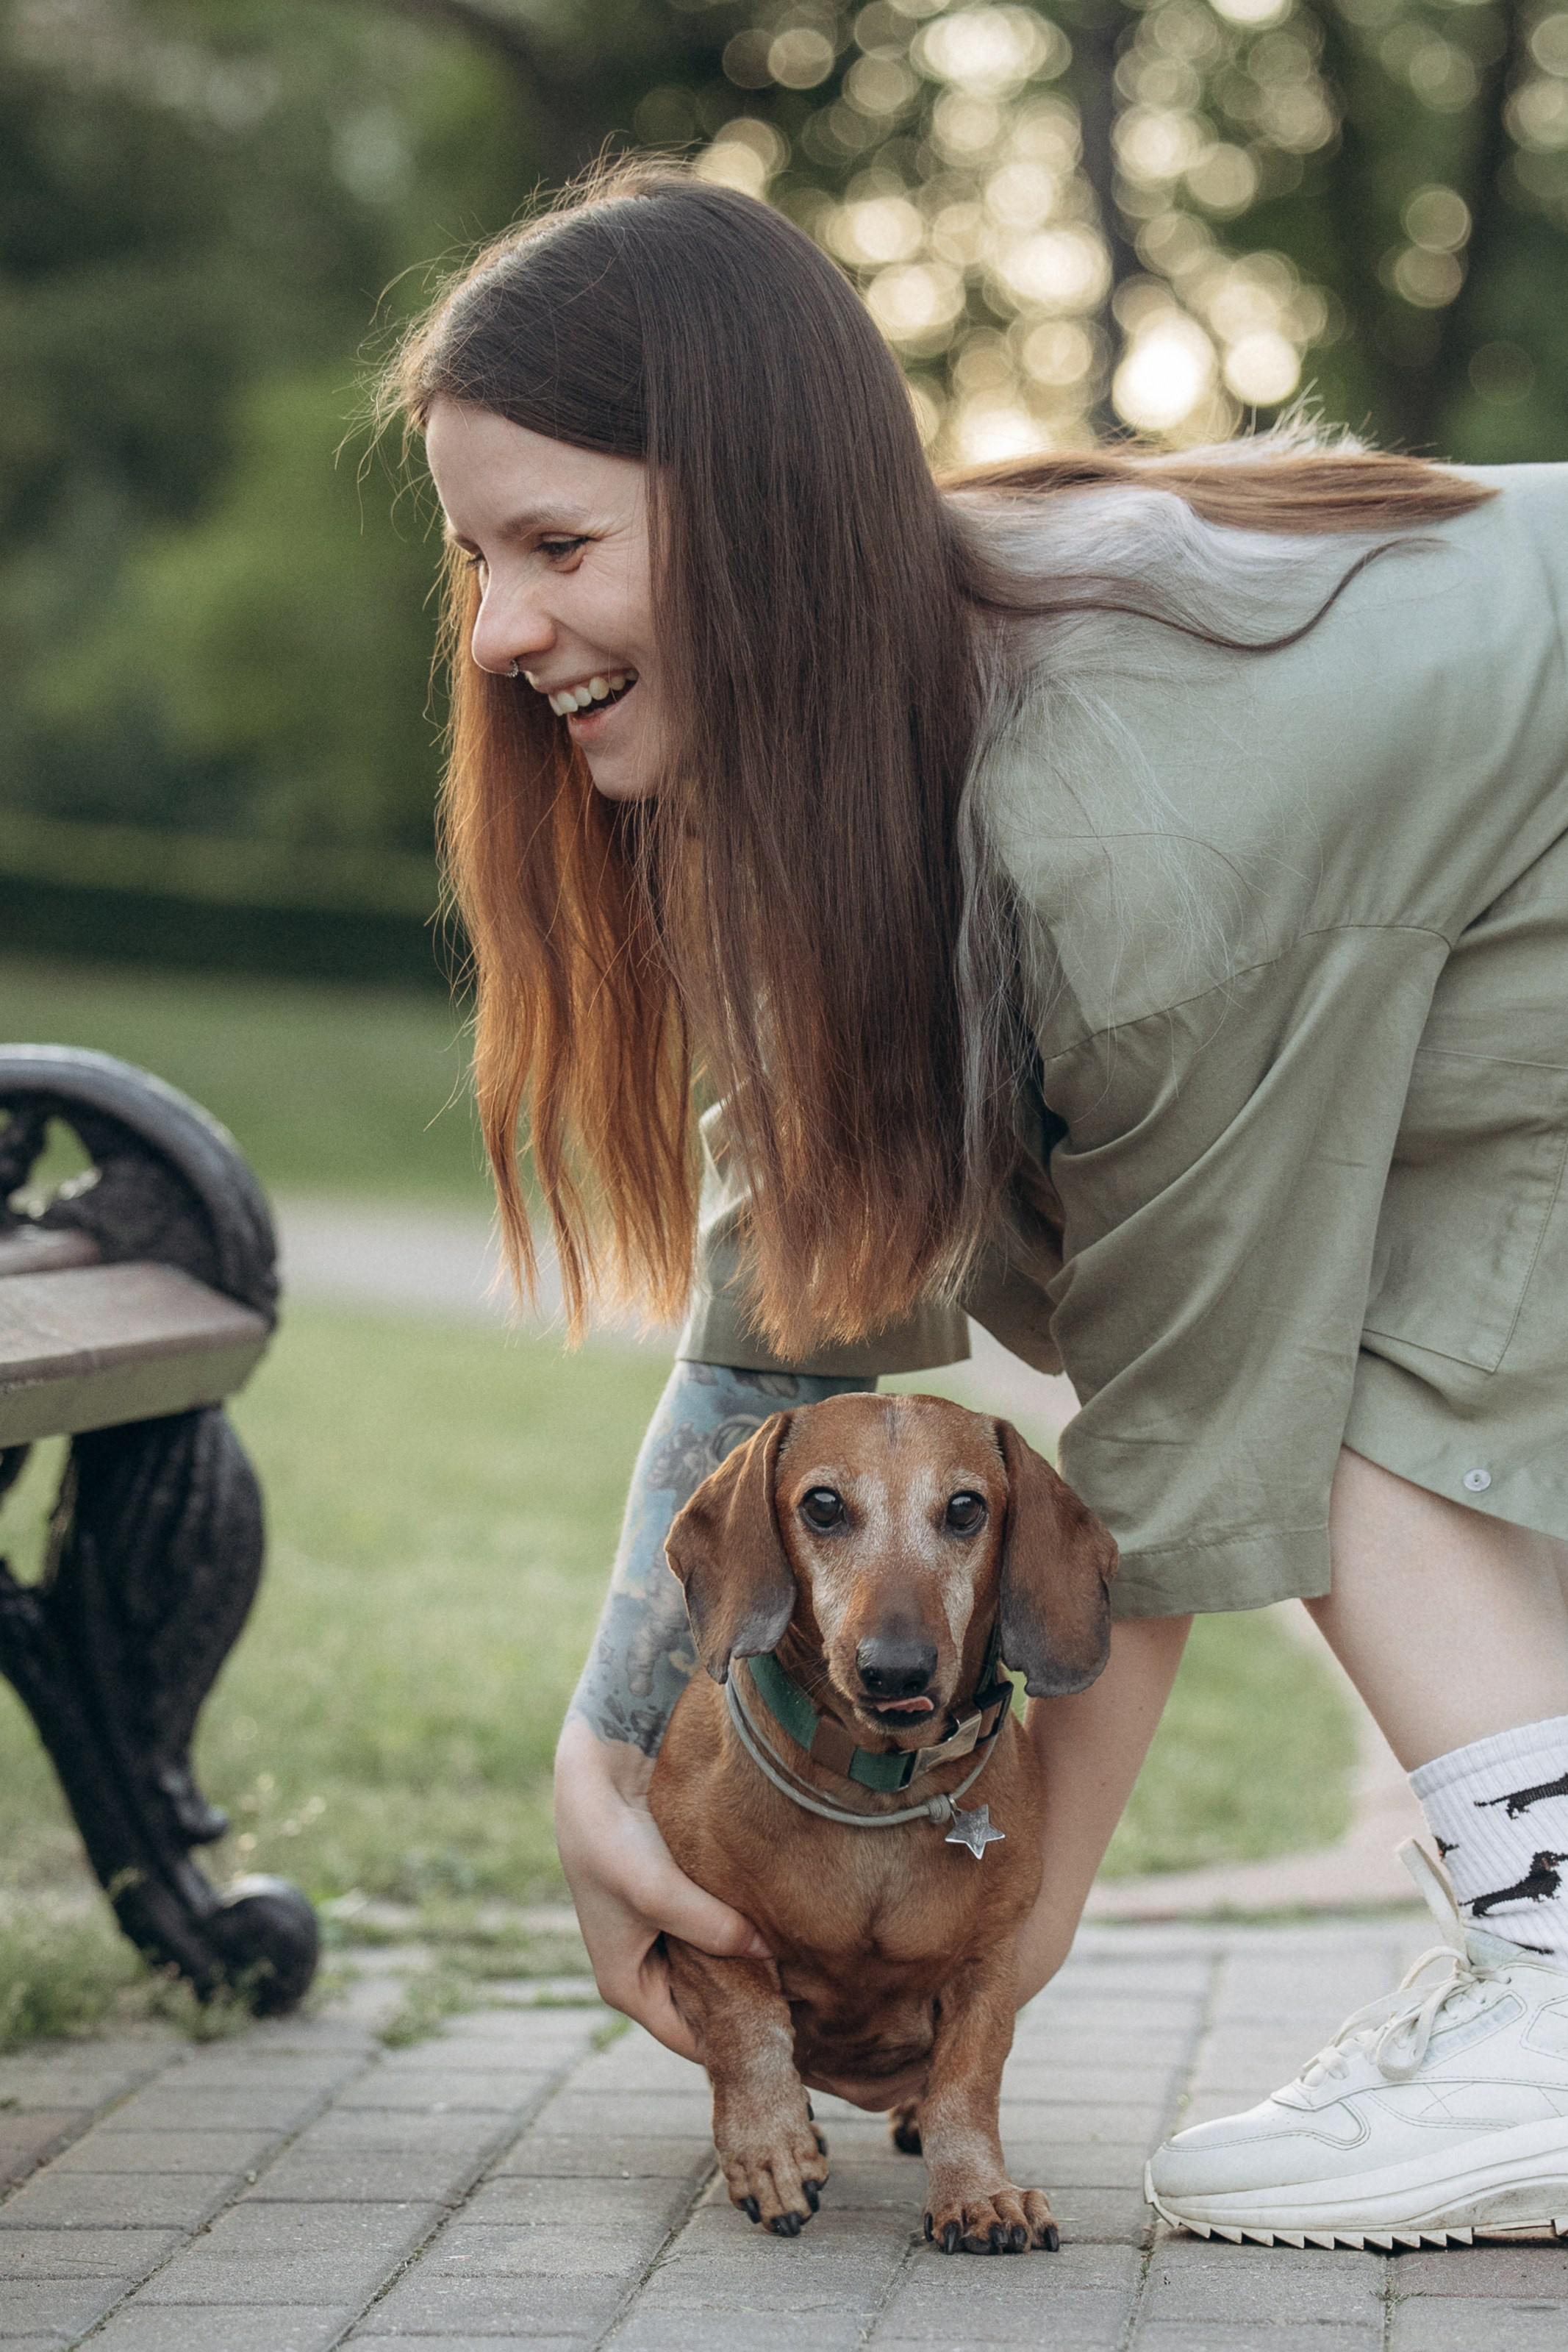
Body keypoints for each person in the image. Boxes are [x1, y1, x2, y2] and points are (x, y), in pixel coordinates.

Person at [390, 159, 1568, 2245]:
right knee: (1390, 1333)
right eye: (475, 557)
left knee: (1352, 1358)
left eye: (557, 545)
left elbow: (1195, 1438)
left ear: (760, 520)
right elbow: (794, 1296)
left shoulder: (1130, 819)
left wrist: (991, 1965)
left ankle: (1555, 1989)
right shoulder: (883, 734)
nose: (498, 631)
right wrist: (611, 1759)